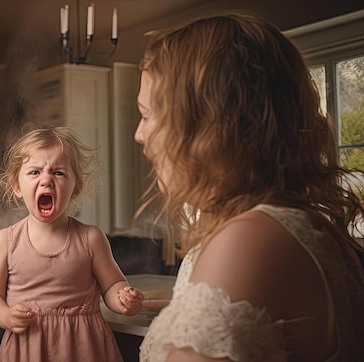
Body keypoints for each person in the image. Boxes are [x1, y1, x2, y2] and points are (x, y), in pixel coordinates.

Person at [134, 13, 364, 361]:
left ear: (207, 125)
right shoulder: (292, 226)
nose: (139, 133)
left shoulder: (247, 241)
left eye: (148, 114)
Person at [0, 124, 144, 361]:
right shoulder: (5, 241)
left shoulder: (91, 238)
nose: (46, 180)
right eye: (34, 172)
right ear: (16, 185)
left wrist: (123, 299)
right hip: (28, 349)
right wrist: (6, 316)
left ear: (76, 187)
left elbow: (112, 285)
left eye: (58, 173)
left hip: (86, 348)